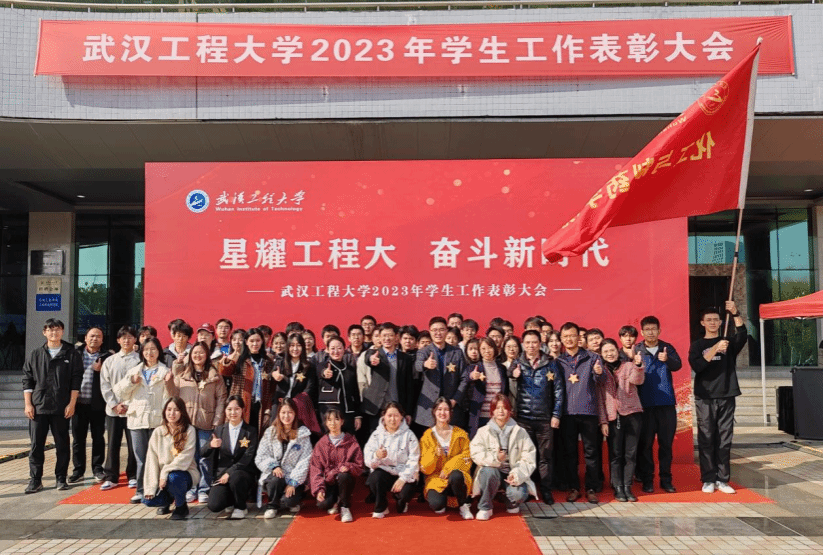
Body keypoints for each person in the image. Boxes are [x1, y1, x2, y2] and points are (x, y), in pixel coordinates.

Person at [688, 302, 746, 495]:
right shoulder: (697, 346)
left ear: (721, 322)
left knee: (724, 439)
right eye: (709, 320)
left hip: (726, 394)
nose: (712, 322)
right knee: (706, 438)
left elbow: (743, 334)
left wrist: (735, 312)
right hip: (705, 397)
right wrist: (715, 348)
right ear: (702, 323)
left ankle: (722, 479)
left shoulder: (728, 343)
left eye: (715, 320)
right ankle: (708, 479)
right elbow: (698, 366)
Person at [22, 318, 83, 494]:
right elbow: (27, 380)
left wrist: (72, 403)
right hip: (38, 406)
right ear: (44, 332)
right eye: (50, 330)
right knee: (36, 445)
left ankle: (61, 478)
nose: (54, 333)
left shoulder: (71, 354)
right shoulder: (35, 354)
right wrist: (28, 404)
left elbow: (76, 380)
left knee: (62, 444)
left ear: (62, 331)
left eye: (57, 329)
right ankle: (35, 480)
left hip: (61, 406)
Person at [167, 340, 227, 504]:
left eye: (201, 352)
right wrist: (169, 380)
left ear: (207, 355)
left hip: (207, 422)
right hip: (187, 423)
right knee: (189, 458)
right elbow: (173, 395)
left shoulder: (215, 376)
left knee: (205, 458)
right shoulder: (183, 375)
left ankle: (204, 489)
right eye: (195, 353)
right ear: (190, 355)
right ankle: (191, 489)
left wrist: (217, 420)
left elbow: (221, 399)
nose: (198, 355)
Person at [113, 336, 171, 503]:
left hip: (157, 421)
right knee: (141, 458)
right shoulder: (135, 371)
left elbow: (168, 398)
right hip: (137, 420)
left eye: (153, 349)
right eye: (146, 350)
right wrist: (132, 382)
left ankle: (158, 490)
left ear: (159, 351)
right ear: (141, 352)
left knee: (158, 457)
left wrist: (166, 419)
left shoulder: (165, 371)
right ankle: (141, 490)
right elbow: (119, 392)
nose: (149, 353)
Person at [555, 322, 607, 504]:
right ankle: (574, 487)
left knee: (591, 452)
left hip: (588, 411)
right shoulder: (558, 361)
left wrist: (599, 373)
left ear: (579, 337)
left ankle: (591, 488)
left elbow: (602, 380)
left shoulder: (593, 358)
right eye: (565, 336)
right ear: (561, 339)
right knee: (570, 453)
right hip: (567, 413)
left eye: (572, 335)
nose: (569, 339)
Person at [511, 330, 563, 504]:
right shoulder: (518, 362)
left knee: (545, 457)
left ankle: (546, 490)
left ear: (540, 344)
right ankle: (527, 489)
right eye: (527, 342)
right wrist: (513, 373)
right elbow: (508, 374)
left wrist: (556, 414)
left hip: (545, 419)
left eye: (534, 342)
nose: (531, 346)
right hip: (523, 418)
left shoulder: (551, 363)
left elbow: (558, 391)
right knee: (525, 456)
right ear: (523, 344)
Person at [470, 394, 536, 521]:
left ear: (510, 411)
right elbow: (475, 453)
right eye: (497, 408)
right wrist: (496, 458)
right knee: (489, 473)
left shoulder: (520, 432)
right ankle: (485, 507)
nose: (501, 411)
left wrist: (516, 474)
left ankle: (509, 500)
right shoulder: (483, 431)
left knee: (519, 494)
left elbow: (528, 457)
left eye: (504, 408)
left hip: (511, 472)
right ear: (492, 411)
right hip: (492, 470)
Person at [636, 315, 683, 494]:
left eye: (653, 329)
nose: (650, 332)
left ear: (659, 331)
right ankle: (647, 480)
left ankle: (666, 480)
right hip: (645, 405)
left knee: (666, 445)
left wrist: (667, 359)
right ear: (642, 332)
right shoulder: (637, 350)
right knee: (646, 445)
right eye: (647, 329)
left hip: (666, 405)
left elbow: (677, 365)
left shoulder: (667, 347)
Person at [598, 339, 645, 503]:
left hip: (633, 414)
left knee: (630, 454)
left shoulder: (628, 366)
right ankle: (618, 487)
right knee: (616, 454)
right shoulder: (600, 372)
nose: (609, 354)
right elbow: (600, 399)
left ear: (617, 351)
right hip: (613, 417)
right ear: (601, 354)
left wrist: (638, 365)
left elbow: (638, 380)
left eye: (612, 350)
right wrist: (603, 421)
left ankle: (627, 486)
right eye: (605, 352)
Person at [142, 397, 199, 520]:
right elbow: (151, 461)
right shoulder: (158, 432)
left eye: (176, 410)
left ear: (182, 412)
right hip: (162, 478)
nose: (172, 413)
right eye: (169, 409)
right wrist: (151, 487)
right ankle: (167, 501)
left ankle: (181, 506)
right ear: (164, 411)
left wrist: (165, 472)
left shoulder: (189, 430)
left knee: (174, 478)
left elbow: (184, 458)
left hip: (184, 473)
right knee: (148, 501)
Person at [256, 398, 313, 518]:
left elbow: (305, 460)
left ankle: (294, 497)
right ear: (278, 413)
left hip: (293, 476)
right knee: (276, 479)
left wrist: (293, 482)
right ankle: (272, 506)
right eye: (283, 412)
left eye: (290, 412)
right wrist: (274, 466)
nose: (286, 416)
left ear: (295, 414)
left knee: (289, 502)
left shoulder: (303, 434)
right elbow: (261, 456)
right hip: (275, 476)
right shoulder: (270, 432)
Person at [100, 326, 141, 491]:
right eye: (123, 337)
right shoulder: (110, 361)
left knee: (133, 445)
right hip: (114, 410)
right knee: (112, 444)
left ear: (135, 340)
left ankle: (133, 475)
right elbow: (105, 385)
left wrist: (129, 405)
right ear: (118, 340)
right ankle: (111, 477)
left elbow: (141, 386)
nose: (126, 340)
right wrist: (114, 405)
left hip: (133, 410)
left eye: (130, 337)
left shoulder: (140, 360)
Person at [419, 398, 474, 519]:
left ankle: (463, 505)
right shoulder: (427, 436)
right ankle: (446, 500)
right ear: (434, 412)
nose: (442, 413)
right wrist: (434, 455)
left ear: (450, 413)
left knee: (456, 475)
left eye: (446, 410)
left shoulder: (460, 434)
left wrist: (448, 468)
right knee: (437, 506)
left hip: (457, 478)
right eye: (439, 409)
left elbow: (467, 457)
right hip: (437, 478)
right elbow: (425, 468)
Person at [206, 396, 258, 519]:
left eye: (237, 409)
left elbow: (247, 457)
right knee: (214, 505)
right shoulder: (219, 430)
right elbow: (203, 452)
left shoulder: (251, 431)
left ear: (243, 410)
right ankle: (231, 501)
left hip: (243, 473)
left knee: (236, 477)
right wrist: (211, 445)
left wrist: (229, 473)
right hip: (222, 475)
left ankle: (240, 507)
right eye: (229, 409)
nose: (233, 412)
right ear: (225, 411)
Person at [364, 402, 420, 518]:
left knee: (404, 498)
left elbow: (414, 459)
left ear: (401, 417)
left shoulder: (409, 435)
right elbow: (368, 460)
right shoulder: (376, 435)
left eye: (396, 416)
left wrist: (403, 479)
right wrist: (377, 455)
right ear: (383, 417)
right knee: (374, 478)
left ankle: (401, 501)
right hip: (384, 472)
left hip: (403, 473)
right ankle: (382, 505)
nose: (393, 419)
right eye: (389, 416)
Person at [309, 408, 364, 523]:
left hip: (345, 480)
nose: (333, 423)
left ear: (342, 421)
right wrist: (319, 489)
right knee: (322, 505)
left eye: (336, 419)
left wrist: (348, 467)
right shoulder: (321, 444)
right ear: (325, 423)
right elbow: (315, 468)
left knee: (344, 476)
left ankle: (345, 506)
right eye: (329, 420)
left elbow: (359, 465)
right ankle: (335, 500)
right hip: (329, 481)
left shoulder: (351, 441)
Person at [69, 327, 109, 484]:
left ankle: (98, 469)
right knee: (78, 439)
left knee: (98, 438)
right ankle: (78, 470)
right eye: (91, 336)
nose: (94, 339)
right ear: (85, 338)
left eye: (98, 336)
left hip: (97, 404)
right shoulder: (75, 354)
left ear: (102, 340)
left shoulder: (107, 357)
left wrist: (100, 371)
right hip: (78, 404)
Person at [415, 317, 469, 429]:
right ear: (430, 331)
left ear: (446, 331)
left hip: (451, 406)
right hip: (429, 408)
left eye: (441, 330)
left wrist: (455, 399)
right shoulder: (423, 351)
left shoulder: (457, 352)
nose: (438, 333)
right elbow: (417, 366)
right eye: (434, 330)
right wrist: (425, 364)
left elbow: (464, 378)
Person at [219, 328, 275, 436]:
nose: (255, 344)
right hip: (242, 404)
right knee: (239, 436)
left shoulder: (268, 362)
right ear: (246, 342)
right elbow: (225, 371)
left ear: (262, 341)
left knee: (256, 437)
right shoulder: (240, 359)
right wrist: (230, 358)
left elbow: (271, 389)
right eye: (251, 341)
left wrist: (268, 410)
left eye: (258, 341)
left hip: (260, 406)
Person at [361, 324, 415, 432]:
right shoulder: (374, 353)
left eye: (390, 335)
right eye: (384, 335)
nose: (387, 338)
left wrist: (408, 412)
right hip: (377, 407)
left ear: (396, 337)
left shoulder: (405, 358)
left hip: (397, 409)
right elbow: (368, 358)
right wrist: (372, 359)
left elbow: (409, 387)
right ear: (380, 338)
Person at [316, 336, 362, 435]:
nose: (336, 351)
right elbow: (321, 372)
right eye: (332, 348)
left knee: (348, 438)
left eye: (339, 348)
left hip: (348, 412)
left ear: (344, 349)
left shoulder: (350, 369)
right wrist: (325, 373)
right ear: (328, 350)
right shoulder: (322, 365)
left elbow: (355, 393)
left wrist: (357, 415)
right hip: (329, 411)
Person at [466, 338, 510, 438]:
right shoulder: (474, 368)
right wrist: (472, 376)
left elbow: (505, 391)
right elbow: (466, 379)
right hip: (479, 415)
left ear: (494, 349)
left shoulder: (502, 368)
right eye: (483, 348)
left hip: (497, 415)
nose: (487, 351)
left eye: (489, 347)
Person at [271, 333, 317, 409]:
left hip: (299, 404)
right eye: (292, 345)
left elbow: (309, 387)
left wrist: (297, 400)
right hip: (279, 403)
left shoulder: (309, 366)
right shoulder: (280, 363)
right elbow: (271, 375)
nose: (295, 349)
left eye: (298, 345)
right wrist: (274, 375)